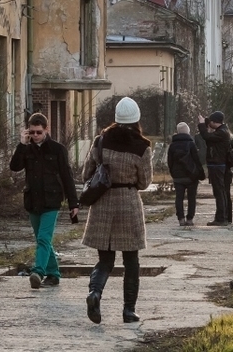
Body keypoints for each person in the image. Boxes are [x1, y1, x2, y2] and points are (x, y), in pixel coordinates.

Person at [83, 96, 153, 324]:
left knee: (105, 260)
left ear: (115, 117)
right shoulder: (142, 147)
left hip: (103, 202)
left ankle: (95, 292)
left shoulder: (100, 141)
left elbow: (86, 174)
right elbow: (144, 183)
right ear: (137, 119)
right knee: (131, 261)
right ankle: (128, 311)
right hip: (128, 204)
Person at [9, 112, 80, 289]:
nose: (35, 136)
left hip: (52, 201)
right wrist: (21, 145)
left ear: (46, 130)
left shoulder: (57, 150)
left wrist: (74, 203)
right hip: (33, 201)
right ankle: (54, 274)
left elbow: (67, 177)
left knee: (43, 238)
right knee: (43, 240)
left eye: (38, 132)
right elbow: (14, 167)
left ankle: (38, 272)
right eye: (32, 132)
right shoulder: (27, 148)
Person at [197, 110, 233, 226]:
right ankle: (224, 217)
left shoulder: (221, 132)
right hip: (219, 164)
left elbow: (206, 136)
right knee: (221, 191)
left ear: (214, 121)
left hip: (217, 164)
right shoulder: (223, 131)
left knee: (219, 191)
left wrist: (202, 124)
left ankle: (221, 218)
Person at [167, 121, 205, 227]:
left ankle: (181, 219)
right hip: (191, 176)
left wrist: (173, 173)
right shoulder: (191, 144)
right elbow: (196, 160)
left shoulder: (172, 146)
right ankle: (190, 219)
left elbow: (170, 162)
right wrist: (199, 172)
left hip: (178, 177)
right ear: (188, 132)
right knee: (191, 198)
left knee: (179, 198)